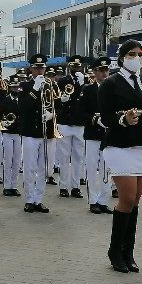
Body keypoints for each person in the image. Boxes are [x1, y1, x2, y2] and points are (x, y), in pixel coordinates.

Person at [98, 39, 142, 273]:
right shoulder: (110, 83)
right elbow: (103, 117)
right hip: (120, 145)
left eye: (140, 54)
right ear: (123, 57)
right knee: (126, 198)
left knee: (135, 200)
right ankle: (115, 251)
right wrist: (122, 120)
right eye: (132, 54)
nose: (137, 58)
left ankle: (128, 252)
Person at [19, 53, 60, 213]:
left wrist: (52, 114)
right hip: (30, 131)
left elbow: (59, 107)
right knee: (29, 167)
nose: (40, 71)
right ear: (31, 69)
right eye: (36, 68)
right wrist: (35, 88)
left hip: (48, 132)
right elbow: (23, 107)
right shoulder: (25, 86)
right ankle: (29, 199)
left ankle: (39, 199)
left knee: (45, 168)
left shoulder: (52, 85)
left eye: (42, 67)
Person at [78, 57, 113, 214]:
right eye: (101, 71)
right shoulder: (88, 90)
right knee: (92, 169)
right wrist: (94, 118)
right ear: (95, 72)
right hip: (92, 134)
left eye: (107, 70)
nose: (105, 73)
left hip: (108, 135)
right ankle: (93, 201)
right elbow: (80, 112)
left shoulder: (114, 90)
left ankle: (104, 201)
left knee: (107, 169)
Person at [56, 55, 87, 199]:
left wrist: (82, 84)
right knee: (64, 156)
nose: (76, 68)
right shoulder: (62, 81)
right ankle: (63, 186)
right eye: (73, 65)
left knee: (78, 157)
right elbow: (56, 100)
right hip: (65, 122)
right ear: (69, 66)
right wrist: (62, 100)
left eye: (78, 66)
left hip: (80, 122)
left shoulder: (86, 81)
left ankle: (75, 187)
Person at [0, 76, 22, 197]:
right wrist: (3, 122)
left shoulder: (22, 100)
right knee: (8, 160)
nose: (16, 89)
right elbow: (0, 114)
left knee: (17, 160)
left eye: (17, 87)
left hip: (18, 132)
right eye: (13, 87)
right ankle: (7, 186)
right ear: (10, 87)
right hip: (7, 133)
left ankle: (14, 185)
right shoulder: (5, 100)